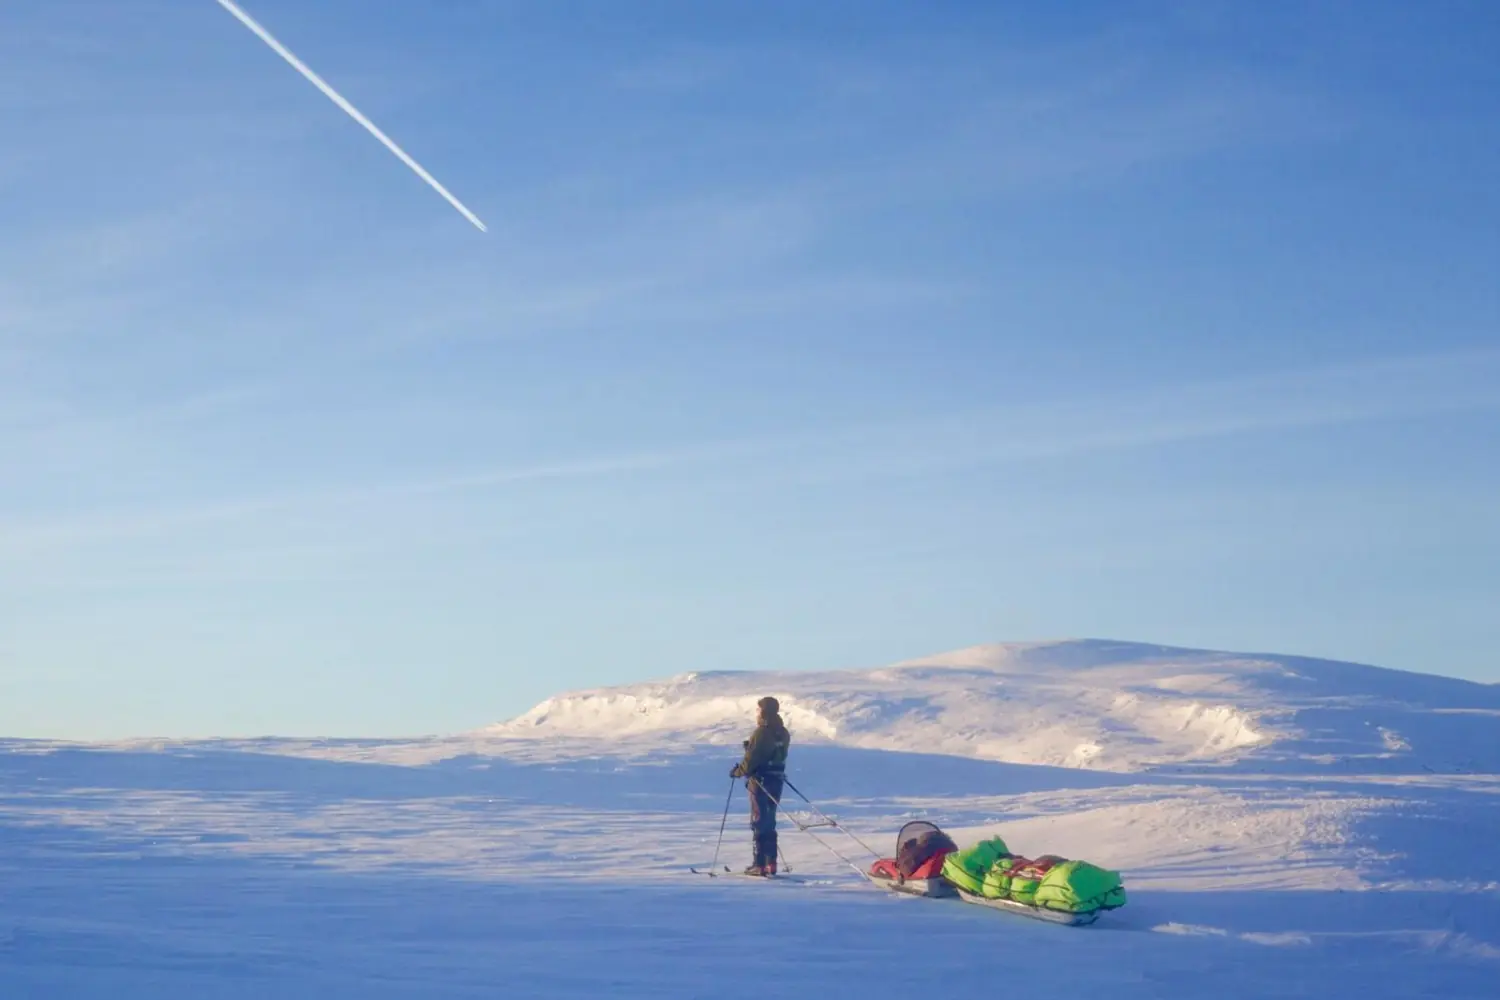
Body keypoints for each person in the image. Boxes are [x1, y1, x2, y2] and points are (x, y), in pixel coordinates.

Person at [729, 696, 791, 876]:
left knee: (759, 820)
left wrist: (737, 771)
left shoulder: (761, 732)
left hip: (760, 780)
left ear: (763, 711)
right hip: (776, 780)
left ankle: (760, 864)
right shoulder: (783, 732)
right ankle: (771, 863)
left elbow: (750, 762)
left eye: (758, 709)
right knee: (769, 820)